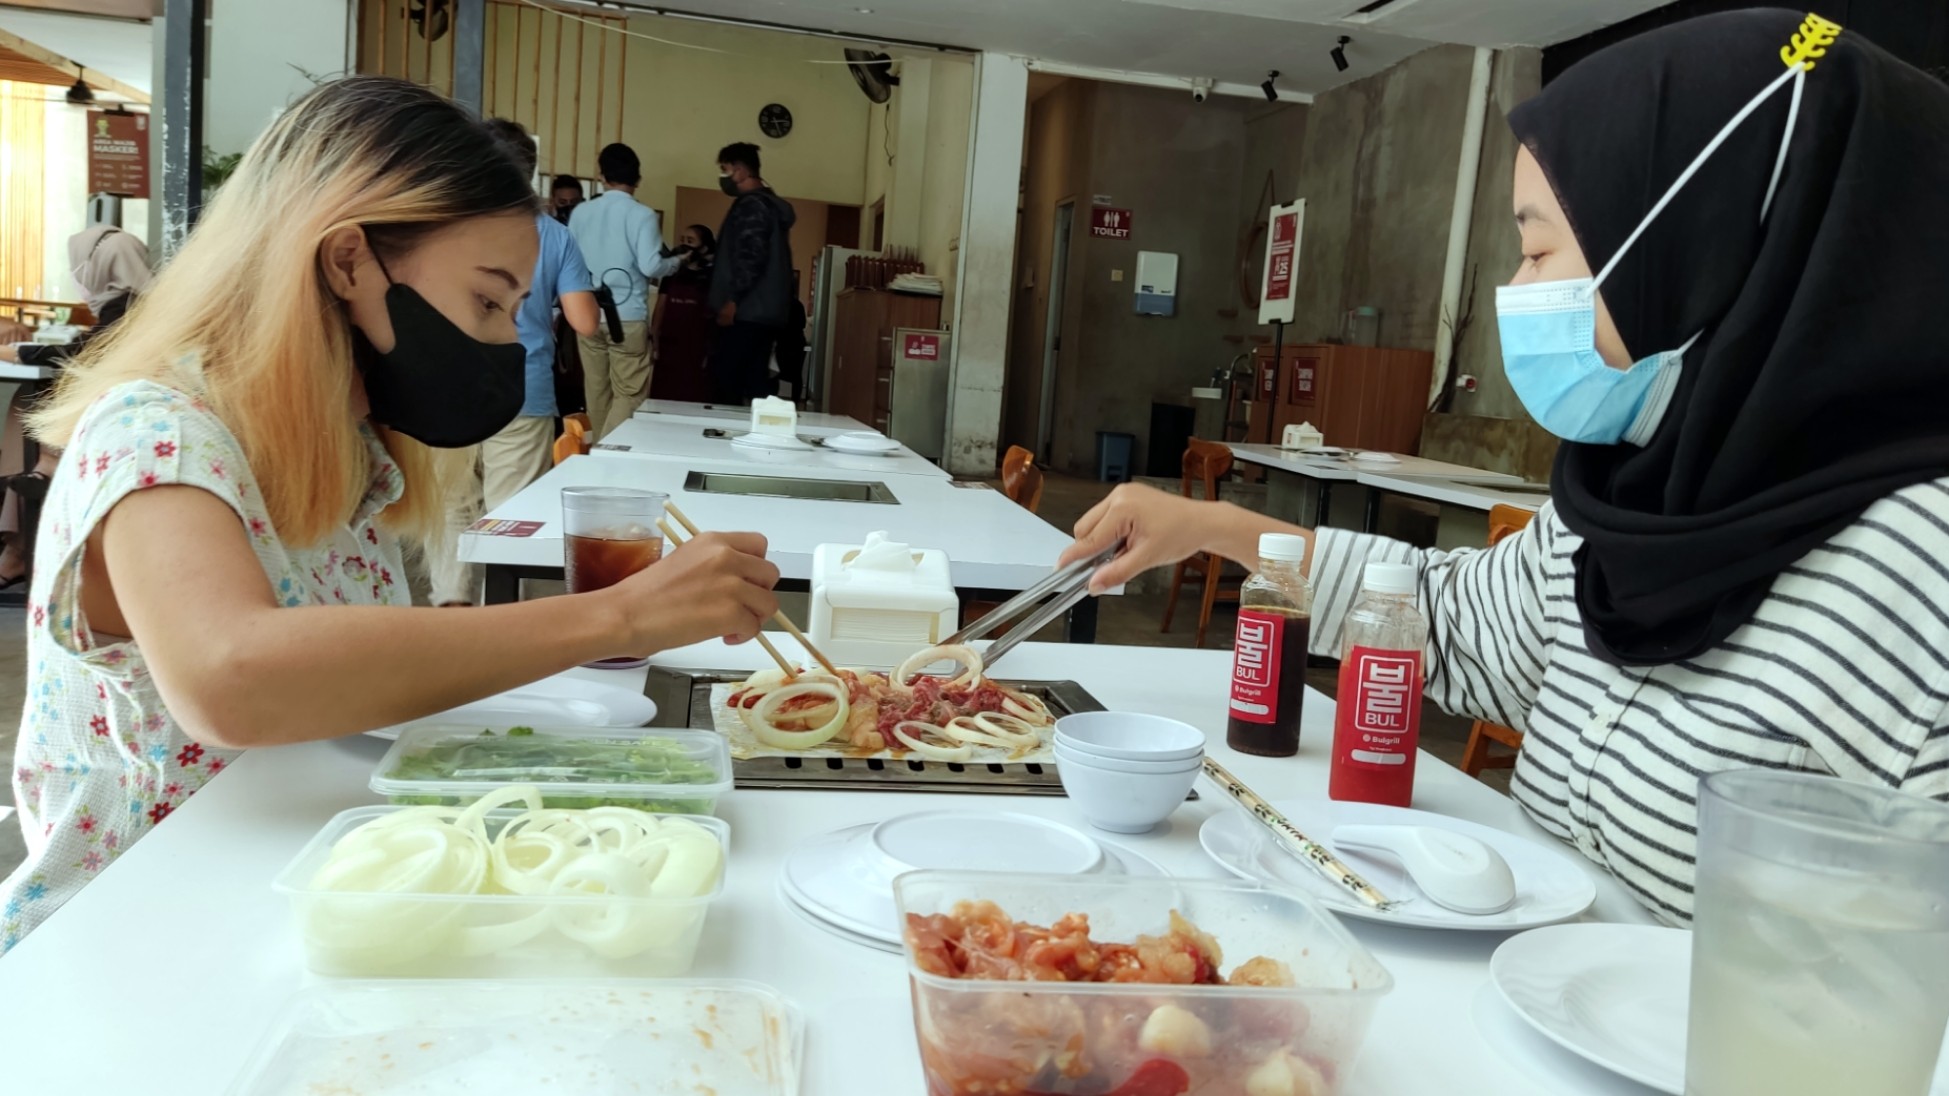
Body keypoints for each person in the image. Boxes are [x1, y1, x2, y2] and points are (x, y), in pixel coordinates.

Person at [1059, 11, 1949, 927]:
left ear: (1705, 256)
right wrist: (1213, 528)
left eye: (1538, 251)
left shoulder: (1920, 579)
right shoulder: (1623, 495)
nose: (1519, 294)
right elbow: (1441, 620)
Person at [0, 77, 780, 952]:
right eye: (487, 300)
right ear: (346, 261)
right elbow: (233, 677)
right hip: (132, 938)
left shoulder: (337, 450)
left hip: (308, 902)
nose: (499, 338)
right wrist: (620, 613)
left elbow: (347, 667)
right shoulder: (158, 431)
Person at [423, 119, 602, 608]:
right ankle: (499, 625)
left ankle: (450, 610)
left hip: (445, 389)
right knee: (508, 517)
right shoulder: (554, 237)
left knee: (450, 508)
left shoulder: (445, 224)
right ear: (531, 173)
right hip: (522, 392)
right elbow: (584, 322)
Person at [0, 224, 155, 587]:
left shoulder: (129, 310)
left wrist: (19, 351)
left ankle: (20, 540)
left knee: (35, 405)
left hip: (112, 432)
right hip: (122, 426)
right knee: (37, 401)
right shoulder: (145, 307)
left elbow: (85, 353)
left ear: (94, 269)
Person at [567, 143, 681, 438]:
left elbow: (570, 262)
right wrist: (676, 263)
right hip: (627, 316)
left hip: (587, 312)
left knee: (596, 391)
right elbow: (650, 266)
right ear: (637, 178)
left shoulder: (581, 212)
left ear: (602, 176)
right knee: (629, 393)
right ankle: (608, 454)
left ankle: (595, 456)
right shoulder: (642, 215)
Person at [708, 142, 796, 405]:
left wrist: (732, 300)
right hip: (765, 311)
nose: (724, 177)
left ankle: (724, 441)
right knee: (755, 383)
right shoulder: (770, 206)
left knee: (727, 383)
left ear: (741, 171)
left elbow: (751, 256)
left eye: (725, 170)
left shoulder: (752, 205)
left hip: (745, 310)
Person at [649, 224, 716, 403]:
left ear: (704, 246)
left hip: (696, 345)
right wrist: (654, 336)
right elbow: (661, 305)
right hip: (669, 344)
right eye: (682, 240)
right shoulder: (671, 273)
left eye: (690, 241)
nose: (684, 245)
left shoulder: (711, 276)